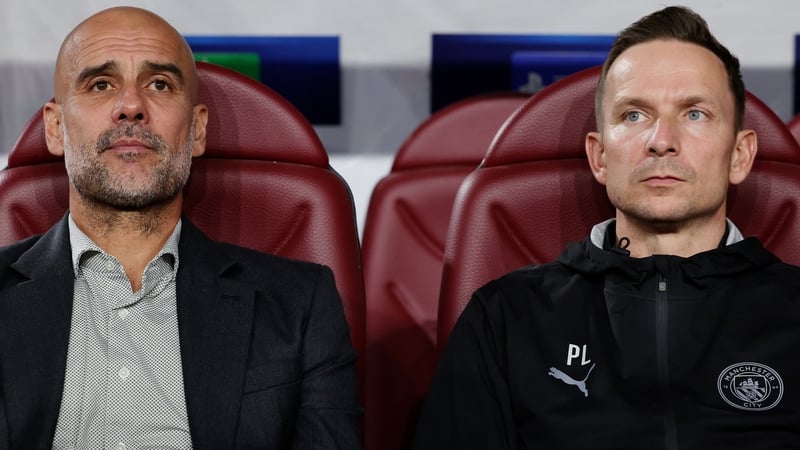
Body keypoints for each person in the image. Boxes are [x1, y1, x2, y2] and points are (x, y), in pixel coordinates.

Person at [412, 6, 800, 449]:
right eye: (634, 115)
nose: (661, 140)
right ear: (599, 157)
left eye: (694, 114)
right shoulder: (505, 317)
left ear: (739, 156)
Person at [0, 6, 362, 449]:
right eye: (100, 84)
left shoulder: (301, 306)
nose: (131, 106)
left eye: (159, 84)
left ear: (196, 129)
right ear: (55, 128)